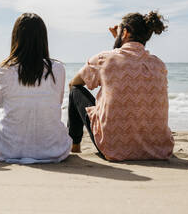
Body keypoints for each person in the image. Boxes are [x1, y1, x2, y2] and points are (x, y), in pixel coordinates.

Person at [68, 11, 174, 161]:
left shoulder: (105, 58)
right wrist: (119, 41)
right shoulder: (158, 64)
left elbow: (75, 82)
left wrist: (117, 43)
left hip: (114, 147)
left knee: (75, 91)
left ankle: (75, 146)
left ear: (125, 32)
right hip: (158, 149)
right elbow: (128, 61)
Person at [0, 13, 71, 164]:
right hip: (52, 148)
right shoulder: (57, 68)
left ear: (16, 38)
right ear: (43, 38)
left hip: (9, 148)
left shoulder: (3, 68)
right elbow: (57, 102)